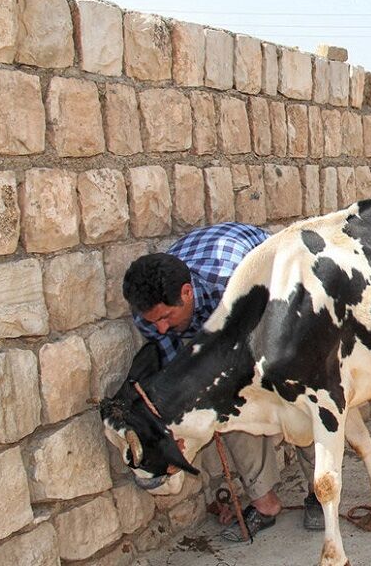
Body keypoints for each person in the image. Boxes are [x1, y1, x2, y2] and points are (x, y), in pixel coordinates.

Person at [122, 222, 324, 541]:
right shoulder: (148, 317)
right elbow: (185, 371)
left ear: (186, 294)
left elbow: (276, 337)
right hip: (228, 322)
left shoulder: (235, 284)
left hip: (279, 297)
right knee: (228, 407)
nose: (159, 329)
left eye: (165, 318)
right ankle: (265, 504)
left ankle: (320, 492)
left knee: (299, 398)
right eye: (152, 321)